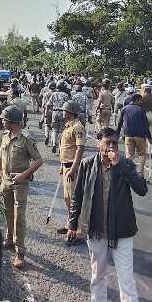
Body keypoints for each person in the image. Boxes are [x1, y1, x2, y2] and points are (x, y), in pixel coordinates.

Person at [67, 127, 149, 302]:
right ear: (99, 144)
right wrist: (73, 224)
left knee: (127, 285)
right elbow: (78, 196)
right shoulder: (87, 165)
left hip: (121, 234)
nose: (112, 146)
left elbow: (142, 189)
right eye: (107, 143)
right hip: (96, 231)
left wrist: (122, 165)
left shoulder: (125, 165)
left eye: (115, 142)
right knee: (97, 274)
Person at [0, 106, 44, 269]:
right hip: (6, 181)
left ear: (12, 121)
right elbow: (2, 155)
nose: (2, 121)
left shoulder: (26, 139)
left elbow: (38, 160)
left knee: (19, 217)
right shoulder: (5, 135)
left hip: (20, 183)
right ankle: (9, 239)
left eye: (4, 119)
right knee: (7, 212)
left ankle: (20, 252)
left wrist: (24, 174)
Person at [59, 100, 87, 237]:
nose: (63, 113)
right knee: (67, 198)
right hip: (66, 166)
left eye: (64, 110)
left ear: (69, 112)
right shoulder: (68, 126)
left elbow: (79, 149)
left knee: (74, 200)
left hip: (72, 167)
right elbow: (65, 148)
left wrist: (74, 168)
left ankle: (78, 231)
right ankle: (69, 224)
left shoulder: (78, 127)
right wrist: (62, 165)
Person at [116, 94, 152, 177]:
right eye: (140, 100)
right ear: (136, 100)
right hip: (140, 136)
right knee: (142, 154)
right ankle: (140, 173)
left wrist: (117, 134)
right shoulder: (141, 110)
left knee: (129, 155)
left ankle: (128, 173)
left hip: (128, 135)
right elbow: (145, 125)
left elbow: (119, 123)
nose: (141, 102)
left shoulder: (124, 109)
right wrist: (149, 137)